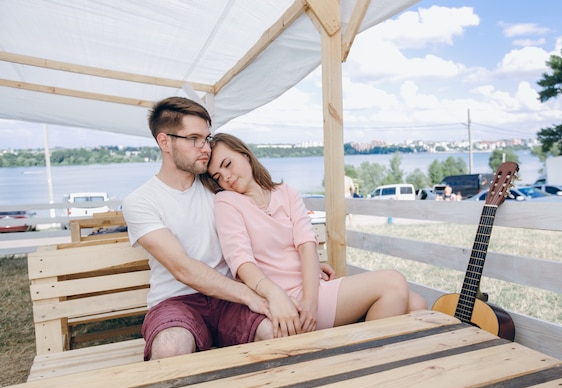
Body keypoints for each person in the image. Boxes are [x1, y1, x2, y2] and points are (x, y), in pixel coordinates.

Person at [201, 132, 428, 338]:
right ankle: (365, 364)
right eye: (218, 176)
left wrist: (311, 301)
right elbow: (241, 262)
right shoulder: (227, 202)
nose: (226, 177)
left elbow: (307, 245)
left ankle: (371, 361)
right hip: (283, 300)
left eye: (228, 164)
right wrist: (297, 301)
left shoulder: (285, 192)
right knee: (393, 282)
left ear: (245, 155)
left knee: (416, 303)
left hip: (312, 292)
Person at [122, 97, 277, 361]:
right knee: (170, 348)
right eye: (194, 138)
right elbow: (182, 267)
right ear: (165, 142)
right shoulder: (140, 201)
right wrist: (247, 295)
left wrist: (292, 257)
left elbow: (259, 223)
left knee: (278, 331)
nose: (205, 147)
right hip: (177, 301)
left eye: (206, 138)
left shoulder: (217, 186)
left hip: (230, 300)